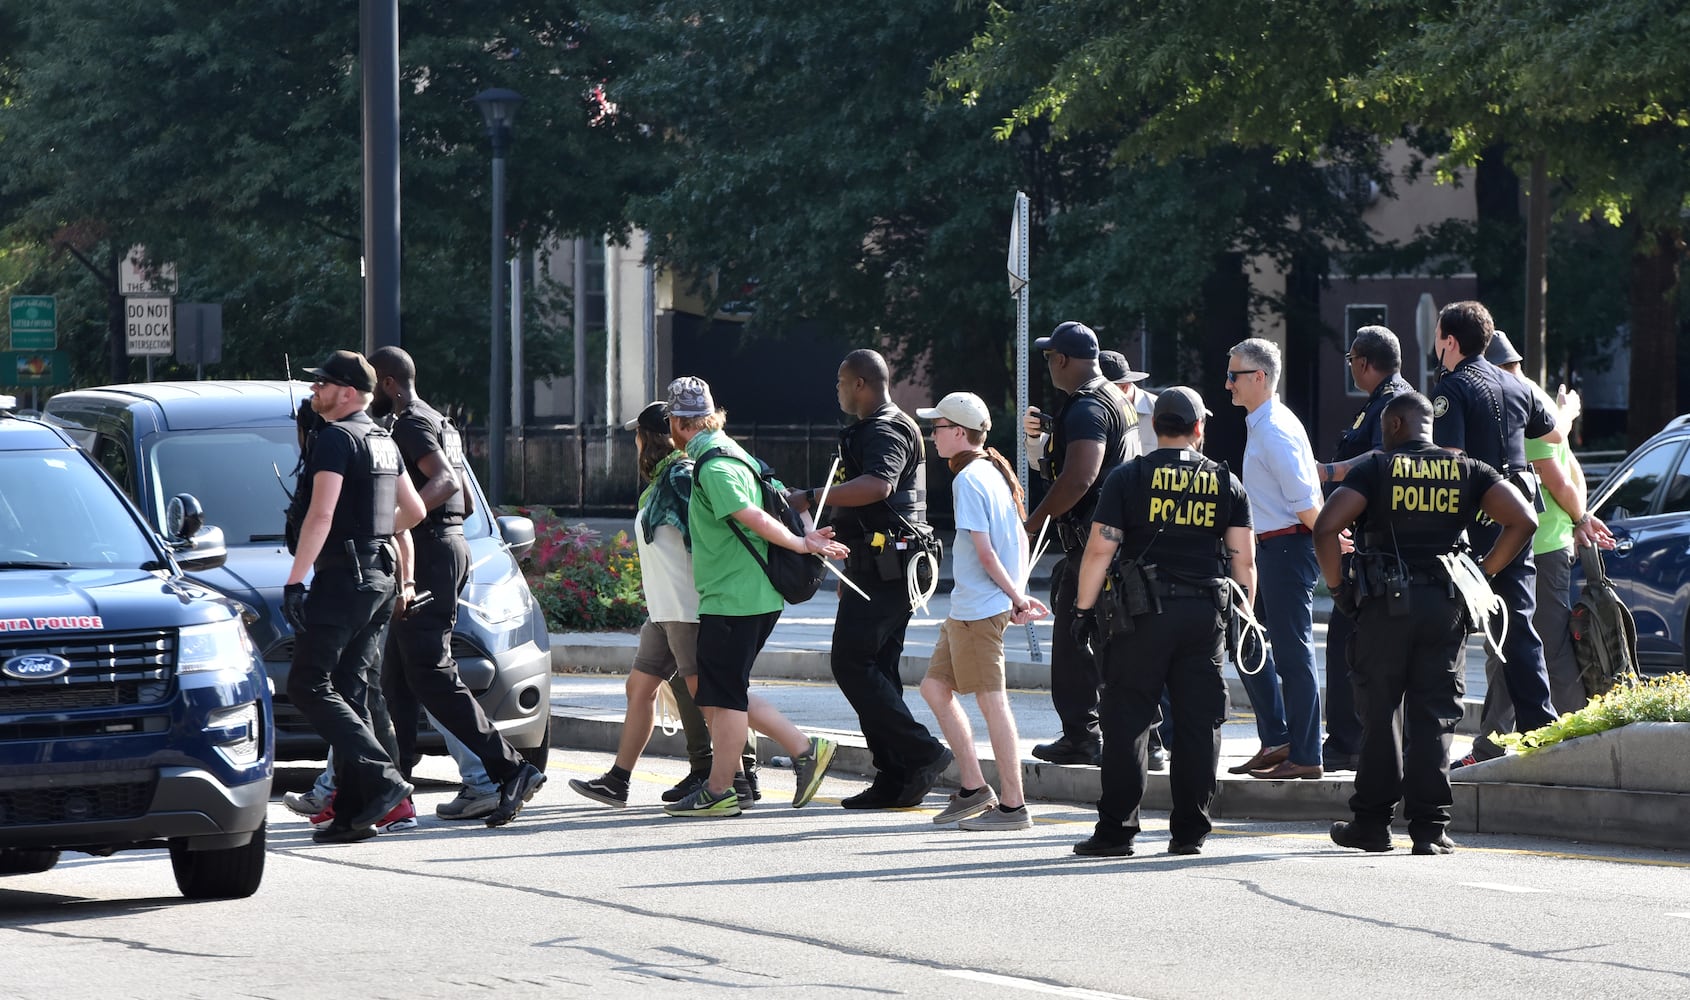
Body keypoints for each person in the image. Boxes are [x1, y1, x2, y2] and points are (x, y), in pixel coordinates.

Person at [1315, 392, 1537, 854]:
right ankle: (1430, 830)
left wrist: (1339, 591)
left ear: (1394, 426)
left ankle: (1373, 827)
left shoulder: (1375, 469)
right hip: (1446, 605)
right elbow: (1524, 519)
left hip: (1382, 609)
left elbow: (1326, 526)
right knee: (1435, 715)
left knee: (1380, 716)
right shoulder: (1468, 469)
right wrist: (1486, 572)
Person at [1068, 387, 1255, 857]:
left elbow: (1099, 550)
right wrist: (1243, 619)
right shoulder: (1225, 481)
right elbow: (1244, 561)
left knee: (1127, 719)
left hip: (1139, 616)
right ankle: (1190, 833)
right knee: (1197, 723)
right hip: (1203, 616)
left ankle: (1116, 832)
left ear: (1155, 427)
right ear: (1199, 429)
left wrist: (1083, 611)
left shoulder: (1127, 478)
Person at [367, 346, 545, 828]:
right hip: (444, 547)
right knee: (399, 677)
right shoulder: (440, 421)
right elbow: (465, 499)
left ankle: (510, 770)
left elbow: (444, 483)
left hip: (430, 553)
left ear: (387, 383)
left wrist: (393, 524)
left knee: (429, 670)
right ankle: (393, 788)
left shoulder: (408, 423)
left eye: (372, 383)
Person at [665, 376, 843, 818]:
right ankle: (799, 752)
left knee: (723, 697)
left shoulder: (714, 464)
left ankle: (721, 790)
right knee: (724, 692)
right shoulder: (730, 451)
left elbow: (752, 515)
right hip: (745, 594)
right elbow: (778, 496)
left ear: (679, 422)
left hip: (735, 596)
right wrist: (803, 535)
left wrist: (802, 545)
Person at [568, 400, 756, 808]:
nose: (634, 442)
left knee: (710, 699)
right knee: (640, 687)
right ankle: (618, 781)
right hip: (664, 609)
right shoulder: (662, 478)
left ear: (651, 436)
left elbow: (710, 535)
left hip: (687, 607)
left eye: (638, 434)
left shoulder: (682, 474)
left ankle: (739, 779)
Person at [788, 350, 952, 810]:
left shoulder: (885, 428)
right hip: (874, 565)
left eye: (841, 382)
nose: (837, 390)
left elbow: (878, 486)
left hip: (891, 567)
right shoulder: (874, 427)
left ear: (860, 383)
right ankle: (897, 776)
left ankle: (922, 752)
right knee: (876, 669)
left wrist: (808, 497)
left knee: (851, 663)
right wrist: (850, 561)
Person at [283, 350, 427, 844]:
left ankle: (383, 780)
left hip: (345, 577)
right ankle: (354, 808)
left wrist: (295, 580)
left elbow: (319, 517)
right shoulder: (381, 438)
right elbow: (413, 510)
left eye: (321, 384)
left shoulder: (336, 438)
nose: (313, 391)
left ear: (347, 392)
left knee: (308, 683)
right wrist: (375, 535)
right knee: (350, 690)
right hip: (381, 574)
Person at [1455, 333, 1616, 763]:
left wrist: (1579, 518)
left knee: (1527, 644)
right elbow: (1567, 464)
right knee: (1519, 644)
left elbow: (1558, 476)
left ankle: (1570, 737)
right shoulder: (1535, 400)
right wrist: (1579, 518)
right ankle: (1510, 740)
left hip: (1535, 543)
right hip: (1545, 539)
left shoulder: (1508, 407)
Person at [1426, 304, 1574, 760]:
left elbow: (1450, 461)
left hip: (1480, 515)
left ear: (1450, 340)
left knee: (1464, 622)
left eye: (1437, 335)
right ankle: (1538, 722)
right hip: (1520, 509)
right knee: (1517, 621)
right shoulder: (1518, 385)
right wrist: (1568, 413)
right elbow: (1552, 437)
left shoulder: (1451, 389)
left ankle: (1524, 724)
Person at [915, 392, 1050, 831]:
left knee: (994, 703)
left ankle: (1013, 806)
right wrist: (1016, 594)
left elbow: (987, 551)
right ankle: (975, 789)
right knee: (934, 689)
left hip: (978, 609)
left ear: (959, 432)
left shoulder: (969, 479)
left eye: (937, 428)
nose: (932, 435)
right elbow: (1018, 539)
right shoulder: (991, 470)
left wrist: (1015, 597)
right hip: (970, 607)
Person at [1021, 322, 1139, 766]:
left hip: (1093, 545)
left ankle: (1080, 736)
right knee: (1119, 641)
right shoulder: (1113, 399)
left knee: (1074, 639)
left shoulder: (1088, 406)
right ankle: (1151, 739)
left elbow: (1080, 476)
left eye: (1050, 357)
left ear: (1063, 360)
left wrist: (1033, 523)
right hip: (1115, 542)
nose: (1049, 364)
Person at [1314, 326, 1413, 772]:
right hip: (1373, 545)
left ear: (1365, 362)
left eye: (1352, 359)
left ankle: (1348, 743)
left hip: (1382, 549)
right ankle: (1353, 740)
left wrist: (1330, 472)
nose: (1351, 367)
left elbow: (1379, 461)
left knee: (1351, 641)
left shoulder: (1393, 405)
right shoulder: (1384, 403)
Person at [1226, 338, 1325, 780]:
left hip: (1287, 548)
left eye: (1234, 375)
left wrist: (1329, 536)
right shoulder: (1263, 423)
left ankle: (1305, 755)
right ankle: (1278, 740)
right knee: (1247, 640)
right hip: (1271, 548)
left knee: (1292, 652)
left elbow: (1304, 501)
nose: (1227, 383)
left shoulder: (1274, 428)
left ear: (1259, 378)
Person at [1101, 349, 1171, 769]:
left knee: (1148, 648)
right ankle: (1146, 740)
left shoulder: (1163, 412)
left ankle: (1155, 741)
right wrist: (1036, 441)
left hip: (1157, 543)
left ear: (1128, 387)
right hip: (1121, 542)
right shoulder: (1096, 415)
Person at [1100, 350, 1159, 456]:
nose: (1100, 398)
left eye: (1105, 392)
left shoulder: (1159, 410)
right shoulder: (1097, 413)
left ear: (1125, 387)